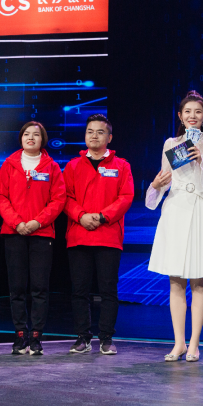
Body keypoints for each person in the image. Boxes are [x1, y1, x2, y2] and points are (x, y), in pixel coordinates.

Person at [146, 91, 203, 362]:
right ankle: (178, 343)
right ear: (180, 116)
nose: (193, 116)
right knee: (176, 281)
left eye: (198, 112)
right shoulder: (171, 143)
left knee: (199, 281)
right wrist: (155, 186)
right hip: (175, 210)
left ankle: (194, 344)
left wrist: (202, 161)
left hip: (200, 210)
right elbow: (164, 179)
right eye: (188, 112)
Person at [62, 113, 134, 356]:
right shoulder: (73, 166)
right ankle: (82, 337)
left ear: (109, 137)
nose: (94, 135)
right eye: (90, 131)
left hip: (108, 235)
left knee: (108, 290)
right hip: (79, 234)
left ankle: (106, 338)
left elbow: (126, 197)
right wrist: (81, 215)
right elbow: (65, 197)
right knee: (79, 290)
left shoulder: (121, 165)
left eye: (100, 132)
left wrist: (103, 216)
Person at [0, 121, 66, 356]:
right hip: (13, 233)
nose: (31, 138)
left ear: (43, 139)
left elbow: (58, 199)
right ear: (21, 138)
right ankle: (19, 335)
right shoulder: (9, 164)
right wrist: (16, 222)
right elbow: (0, 197)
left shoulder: (52, 167)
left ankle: (36, 337)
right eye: (26, 134)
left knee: (39, 288)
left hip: (41, 233)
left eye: (36, 134)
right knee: (16, 287)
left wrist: (37, 222)